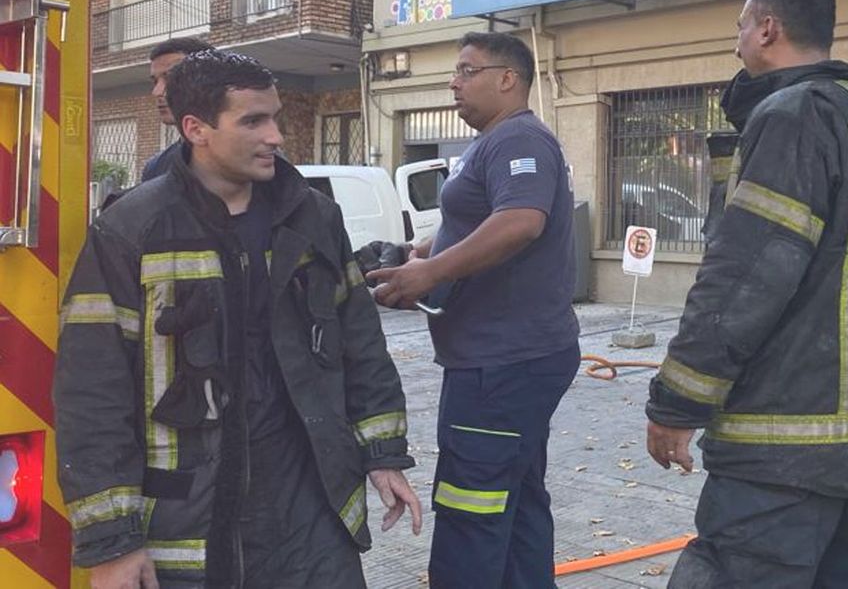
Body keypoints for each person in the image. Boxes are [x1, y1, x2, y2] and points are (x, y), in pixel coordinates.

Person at [55, 50, 422, 589]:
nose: (275, 135)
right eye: (253, 120)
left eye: (274, 117)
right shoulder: (131, 231)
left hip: (311, 507)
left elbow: (360, 343)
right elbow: (93, 393)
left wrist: (383, 455)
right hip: (193, 520)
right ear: (196, 128)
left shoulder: (312, 216)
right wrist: (114, 544)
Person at [644, 0, 848, 588]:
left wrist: (676, 402)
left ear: (768, 28)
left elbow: (745, 277)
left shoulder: (793, 117)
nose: (737, 40)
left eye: (741, 25)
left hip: (783, 456)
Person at [368, 32, 580, 589]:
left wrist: (430, 274)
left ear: (507, 78)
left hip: (502, 363)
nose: (453, 84)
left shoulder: (519, 140)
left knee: (473, 504)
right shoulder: (492, 143)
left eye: (466, 71)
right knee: (519, 495)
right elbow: (482, 218)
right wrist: (426, 252)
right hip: (499, 358)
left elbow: (520, 221)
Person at [141, 36, 214, 182]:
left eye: (171, 78)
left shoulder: (256, 161)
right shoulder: (156, 168)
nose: (157, 91)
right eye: (155, 81)